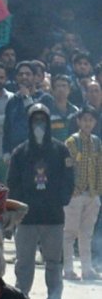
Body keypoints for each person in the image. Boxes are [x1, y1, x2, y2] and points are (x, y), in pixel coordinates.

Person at [8, 105, 73, 299]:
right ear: (29, 123)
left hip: (53, 216)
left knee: (54, 261)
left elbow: (69, 179)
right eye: (35, 121)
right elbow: (12, 182)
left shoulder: (61, 150)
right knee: (24, 262)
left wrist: (62, 199)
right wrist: (17, 207)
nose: (39, 125)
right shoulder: (20, 152)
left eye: (42, 121)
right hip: (27, 217)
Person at [65, 106, 102, 282]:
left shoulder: (97, 142)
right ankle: (68, 269)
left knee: (87, 233)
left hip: (92, 193)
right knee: (70, 232)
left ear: (95, 122)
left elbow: (99, 167)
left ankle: (87, 269)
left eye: (91, 120)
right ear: (79, 121)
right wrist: (70, 190)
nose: (88, 123)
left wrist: (97, 192)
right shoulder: (72, 142)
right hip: (75, 193)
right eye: (84, 119)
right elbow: (67, 167)